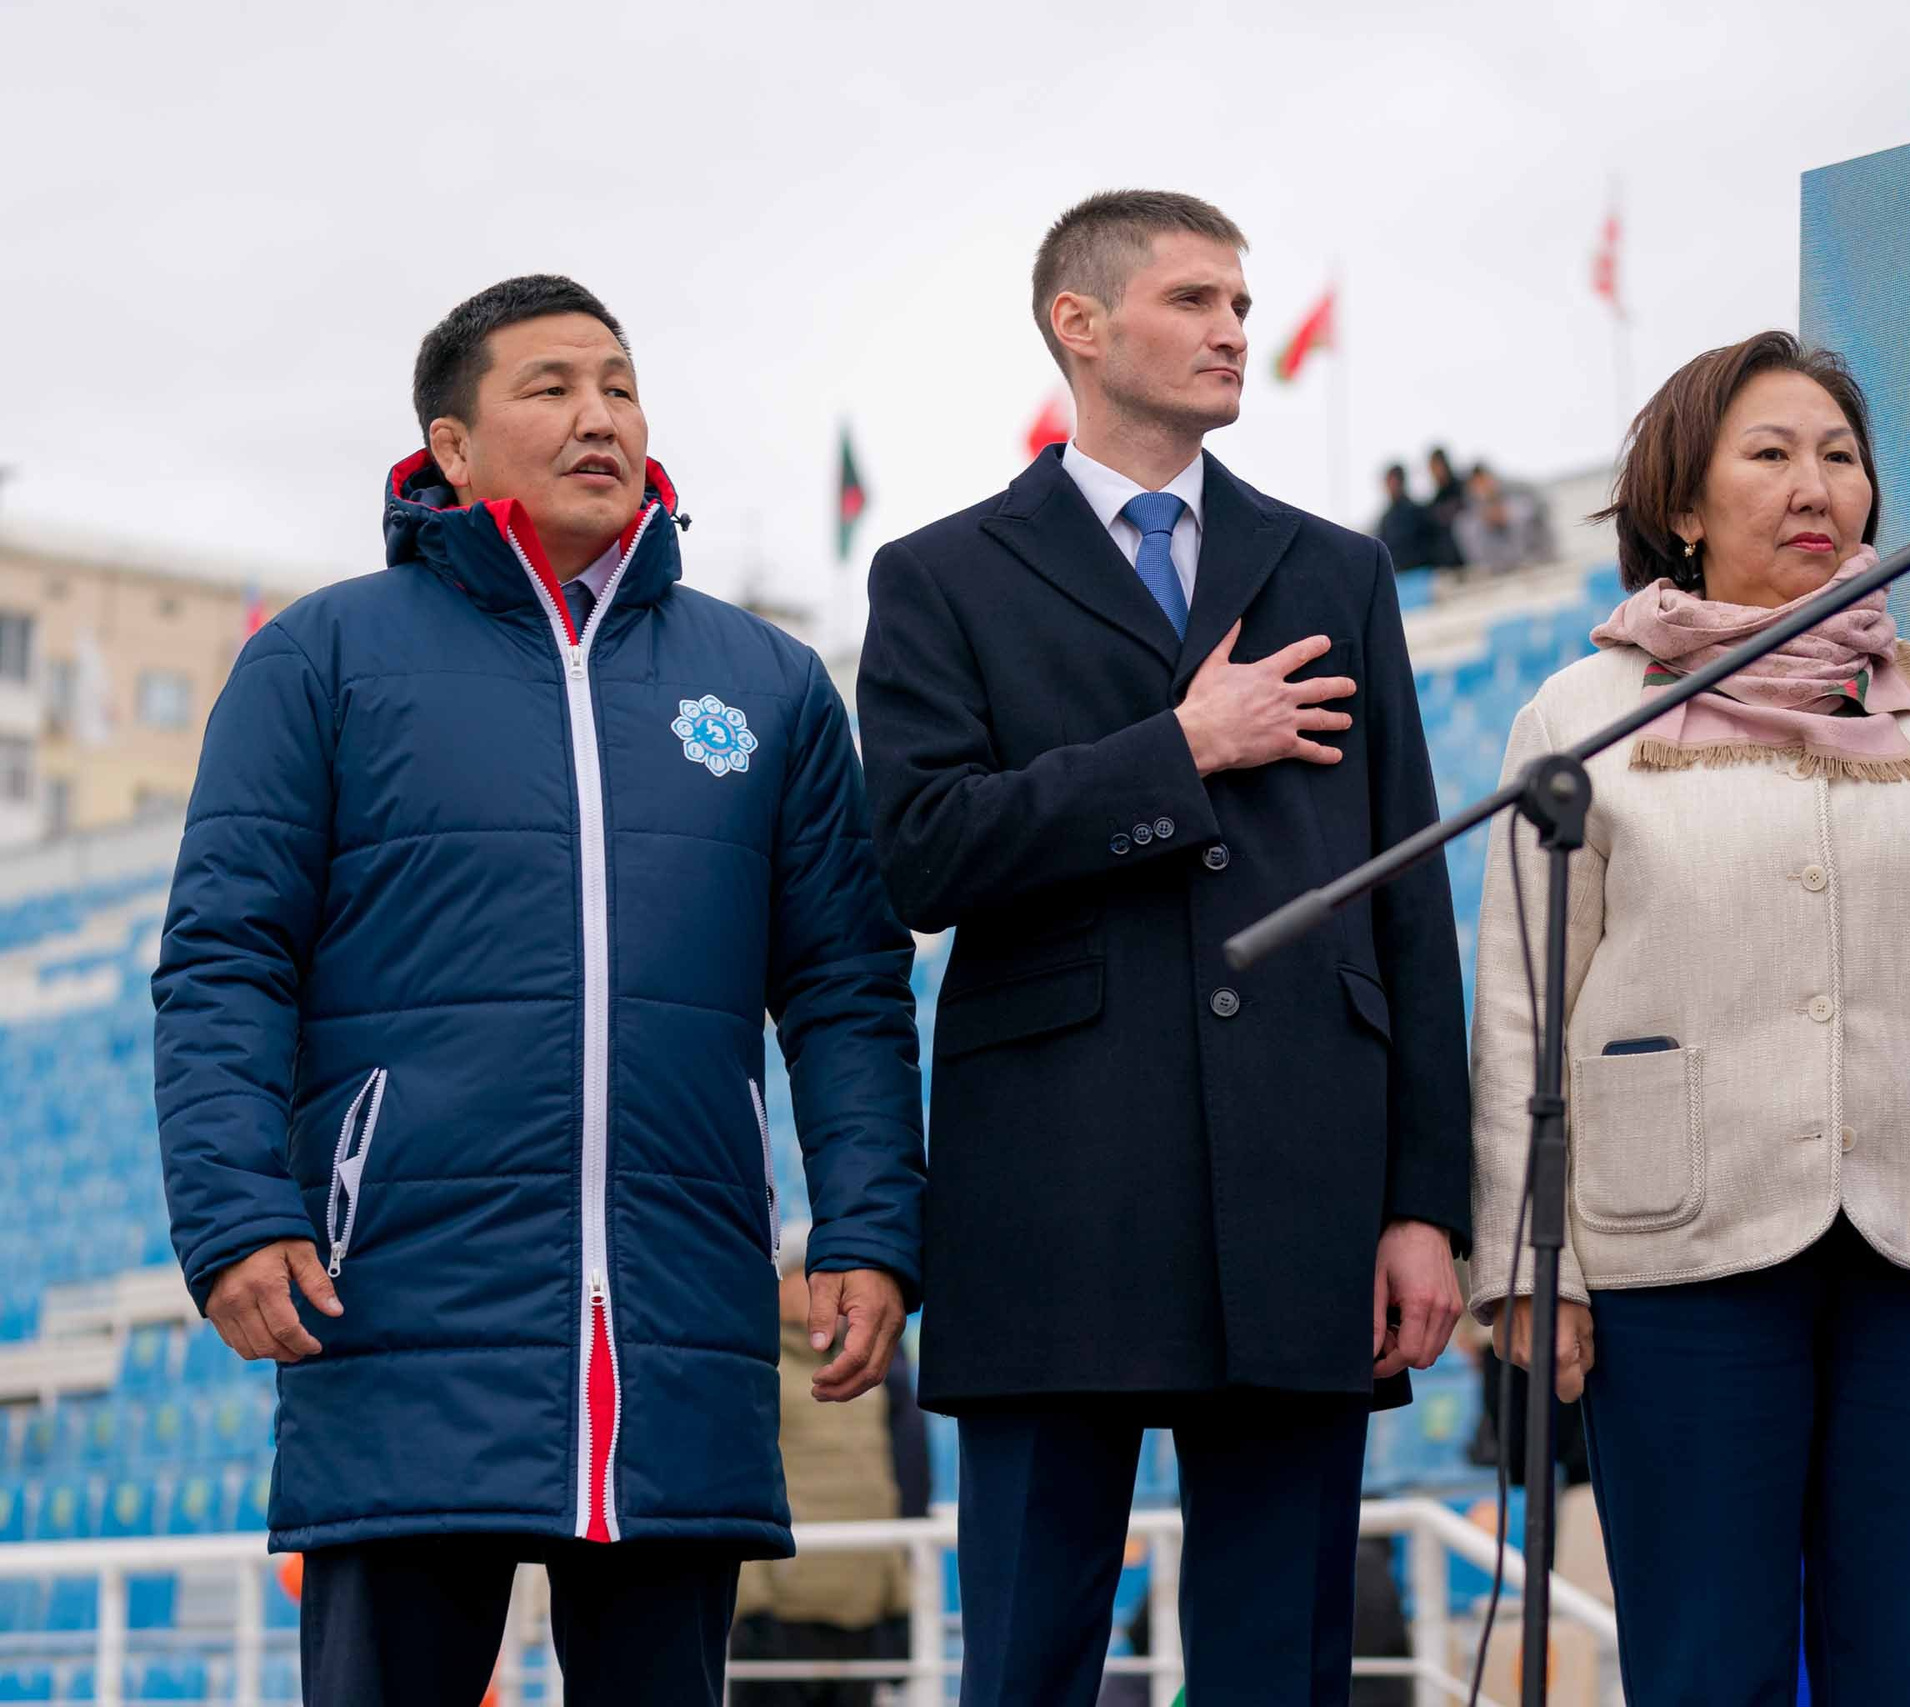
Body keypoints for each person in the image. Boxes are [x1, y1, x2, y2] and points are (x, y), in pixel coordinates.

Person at [152, 275, 925, 1707]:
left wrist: (871, 1223)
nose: (598, 417)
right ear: (449, 446)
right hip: (394, 1305)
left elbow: (846, 984)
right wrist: (235, 1210)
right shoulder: (320, 658)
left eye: (620, 386)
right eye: (552, 387)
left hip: (676, 1321)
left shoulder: (765, 681)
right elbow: (225, 957)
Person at [856, 190, 1471, 1707]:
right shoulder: (941, 576)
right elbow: (921, 852)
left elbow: (1408, 894)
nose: (1233, 333)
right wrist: (1179, 749)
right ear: (1080, 321)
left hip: (1302, 1181)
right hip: (1054, 1183)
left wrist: (1424, 1201)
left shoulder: (1334, 567)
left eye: (1244, 307)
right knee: (1026, 1654)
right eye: (1196, 299)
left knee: (1281, 1658)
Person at [1468, 330, 1910, 1706]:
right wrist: (1532, 1266)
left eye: (1839, 454)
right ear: (1685, 507)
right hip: (1673, 1259)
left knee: (1909, 1663)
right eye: (1769, 453)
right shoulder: (1584, 715)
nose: (1814, 482)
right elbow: (1523, 1013)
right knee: (1707, 1664)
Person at [730, 1225, 912, 1706]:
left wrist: (898, 1600)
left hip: (860, 1610)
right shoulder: (752, 1370)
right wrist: (749, 1607)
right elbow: (738, 1482)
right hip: (781, 1613)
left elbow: (881, 1486)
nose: (821, 1292)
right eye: (804, 1277)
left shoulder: (864, 1371)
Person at [1449, 461, 1550, 576]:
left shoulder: (1521, 508)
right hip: (1495, 578)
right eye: (1477, 484)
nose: (1483, 488)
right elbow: (1477, 560)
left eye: (1485, 481)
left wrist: (1508, 520)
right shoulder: (1466, 524)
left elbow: (1541, 543)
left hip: (1533, 572)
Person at [1373, 462, 1438, 572]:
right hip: (1398, 576)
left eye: (1393, 482)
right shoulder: (1386, 519)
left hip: (1419, 574)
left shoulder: (1417, 512)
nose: (1390, 487)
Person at [1423, 445, 1468, 567]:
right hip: (1446, 565)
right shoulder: (1435, 502)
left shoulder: (1464, 489)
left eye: (1436, 466)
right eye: (1432, 468)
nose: (1434, 472)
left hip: (1469, 559)